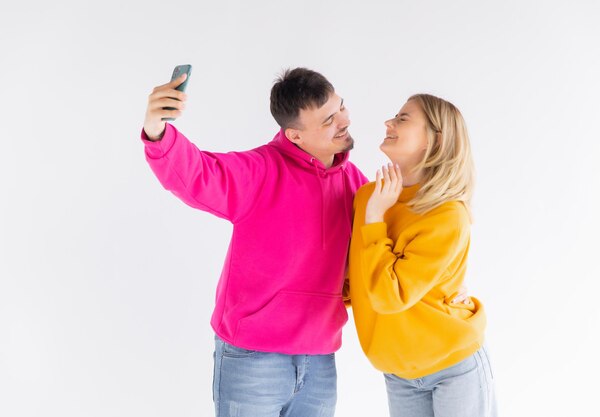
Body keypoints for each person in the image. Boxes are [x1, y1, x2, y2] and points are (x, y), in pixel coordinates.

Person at [141, 67, 368, 417]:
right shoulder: (260, 172)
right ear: (294, 135)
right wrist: (157, 131)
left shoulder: (355, 184)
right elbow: (200, 173)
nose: (343, 120)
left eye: (341, 107)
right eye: (327, 120)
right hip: (252, 359)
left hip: (320, 361)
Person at [346, 94, 497, 417]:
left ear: (434, 139)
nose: (388, 123)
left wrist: (376, 219)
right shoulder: (369, 196)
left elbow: (389, 297)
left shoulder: (445, 214)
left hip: (453, 367)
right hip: (398, 372)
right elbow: (356, 278)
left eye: (403, 118)